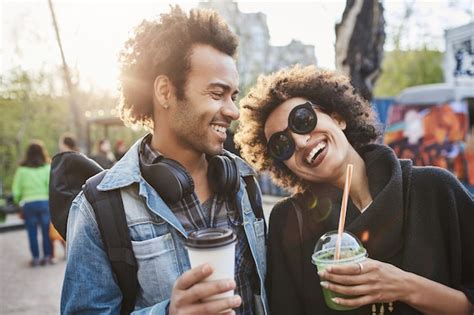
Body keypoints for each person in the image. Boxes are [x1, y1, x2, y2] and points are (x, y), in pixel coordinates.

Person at [61, 6, 268, 315]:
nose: (233, 111)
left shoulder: (243, 181)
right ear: (165, 91)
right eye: (216, 93)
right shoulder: (98, 205)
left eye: (233, 96)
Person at [234, 65, 474, 315]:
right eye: (281, 145)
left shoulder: (435, 190)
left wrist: (404, 286)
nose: (301, 142)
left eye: (302, 120)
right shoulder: (290, 222)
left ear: (338, 117)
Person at [12, 140, 53, 266]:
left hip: (28, 204)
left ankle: (35, 258)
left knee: (32, 231)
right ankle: (47, 257)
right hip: (45, 203)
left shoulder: (22, 170)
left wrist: (18, 202)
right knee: (46, 231)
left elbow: (16, 190)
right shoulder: (47, 167)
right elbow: (51, 186)